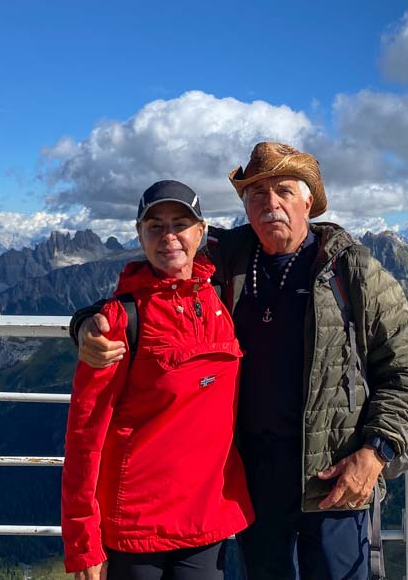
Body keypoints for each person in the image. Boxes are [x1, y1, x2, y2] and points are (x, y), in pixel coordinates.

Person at [71, 143, 408, 579]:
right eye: (256, 194)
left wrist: (374, 454)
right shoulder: (228, 258)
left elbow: (406, 372)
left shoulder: (353, 271)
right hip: (251, 480)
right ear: (244, 205)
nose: (270, 204)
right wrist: (88, 321)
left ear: (308, 201)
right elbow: (157, 276)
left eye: (283, 191)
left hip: (334, 475)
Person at [61, 180, 254, 580]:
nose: (169, 237)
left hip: (208, 516)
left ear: (202, 232)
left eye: (180, 224)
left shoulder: (223, 296)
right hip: (136, 528)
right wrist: (83, 542)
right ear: (140, 235)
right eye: (155, 226)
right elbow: (84, 435)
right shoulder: (116, 321)